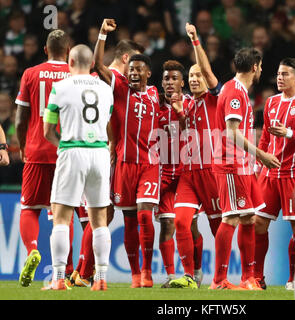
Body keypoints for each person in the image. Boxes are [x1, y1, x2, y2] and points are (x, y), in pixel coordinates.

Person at [71, 37, 145, 288]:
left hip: (91, 150)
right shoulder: (113, 79)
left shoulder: (98, 79)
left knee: (101, 213)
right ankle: (83, 272)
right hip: (110, 154)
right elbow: (106, 117)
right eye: (134, 62)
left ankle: (82, 271)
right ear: (126, 58)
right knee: (105, 213)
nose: (136, 69)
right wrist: (112, 141)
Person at [95, 19, 161, 288]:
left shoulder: (157, 94)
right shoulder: (120, 88)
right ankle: (136, 274)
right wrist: (101, 35)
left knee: (146, 214)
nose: (133, 73)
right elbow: (99, 65)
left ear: (147, 74)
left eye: (138, 70)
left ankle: (147, 270)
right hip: (123, 163)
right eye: (130, 69)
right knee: (130, 219)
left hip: (149, 164)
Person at [42, 44, 113, 291]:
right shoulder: (106, 89)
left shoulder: (59, 88)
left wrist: (62, 145)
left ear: (70, 62)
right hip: (100, 153)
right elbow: (109, 126)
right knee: (99, 220)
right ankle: (101, 278)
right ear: (92, 63)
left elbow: (47, 130)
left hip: (72, 150)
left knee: (61, 217)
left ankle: (59, 278)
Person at [211, 47, 280, 290]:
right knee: (230, 217)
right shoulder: (234, 92)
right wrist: (261, 155)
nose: (260, 70)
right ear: (254, 67)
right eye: (260, 66)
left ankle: (248, 277)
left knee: (249, 217)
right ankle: (219, 280)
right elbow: (232, 133)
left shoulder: (238, 90)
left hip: (242, 165)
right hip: (230, 164)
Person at [165, 23, 223, 289]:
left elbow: (209, 73)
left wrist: (196, 41)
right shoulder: (185, 103)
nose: (194, 78)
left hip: (212, 172)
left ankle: (223, 277)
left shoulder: (216, 99)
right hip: (188, 175)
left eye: (198, 74)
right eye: (191, 75)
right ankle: (190, 275)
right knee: (181, 222)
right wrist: (178, 110)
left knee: (219, 228)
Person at [15, 29, 70, 288]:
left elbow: (19, 118)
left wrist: (23, 146)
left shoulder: (30, 73)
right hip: (67, 151)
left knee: (29, 208)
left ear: (46, 50)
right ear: (68, 50)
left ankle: (32, 251)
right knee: (61, 213)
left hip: (37, 150)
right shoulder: (76, 75)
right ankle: (66, 270)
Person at [254, 58, 295, 291]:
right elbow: (266, 137)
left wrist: (288, 132)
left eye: (285, 74)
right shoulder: (271, 103)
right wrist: (260, 164)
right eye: (278, 73)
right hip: (270, 174)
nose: (280, 77)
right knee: (258, 222)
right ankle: (256, 277)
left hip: (294, 173)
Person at [157, 59, 205, 288]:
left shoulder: (191, 104)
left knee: (190, 226)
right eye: (166, 78)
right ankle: (170, 275)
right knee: (167, 224)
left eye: (174, 78)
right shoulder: (155, 106)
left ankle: (196, 271)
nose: (169, 82)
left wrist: (181, 115)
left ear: (182, 82)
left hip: (188, 174)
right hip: (164, 174)